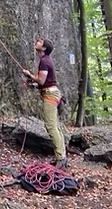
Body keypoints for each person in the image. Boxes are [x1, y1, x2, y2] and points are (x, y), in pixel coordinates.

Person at [22, 36, 67, 167]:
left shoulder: (44, 61)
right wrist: (32, 83)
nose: (36, 42)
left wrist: (29, 75)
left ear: (44, 48)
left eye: (40, 42)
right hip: (52, 93)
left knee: (51, 126)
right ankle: (61, 155)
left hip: (50, 96)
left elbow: (41, 81)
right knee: (55, 126)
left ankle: (61, 157)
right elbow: (45, 82)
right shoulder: (45, 60)